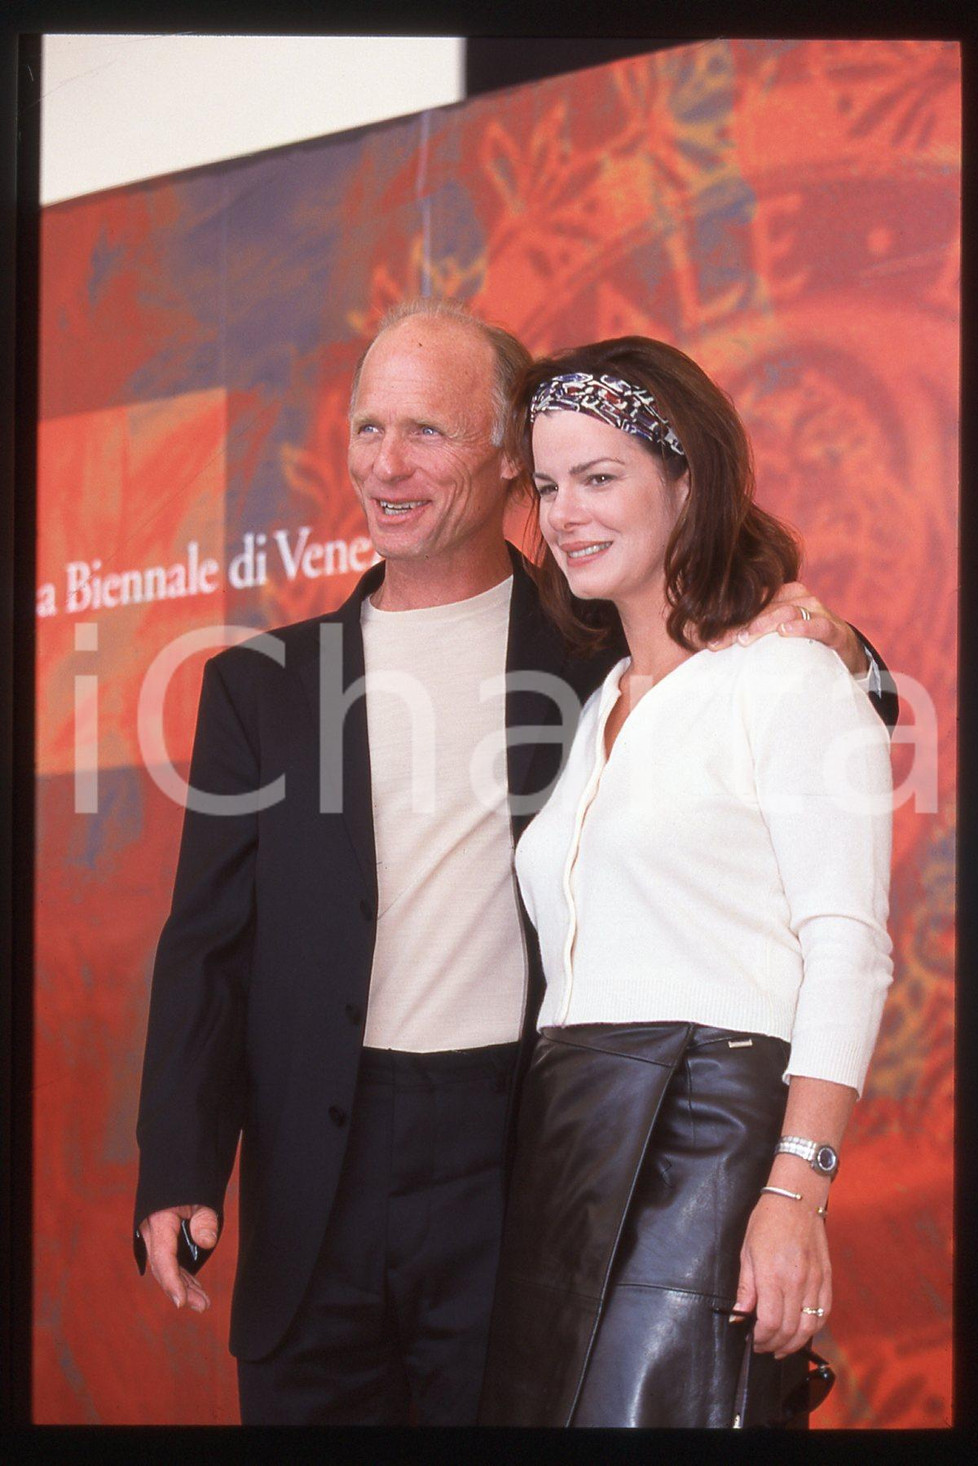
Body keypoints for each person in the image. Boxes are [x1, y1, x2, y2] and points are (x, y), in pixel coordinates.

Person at [132, 299, 896, 1426]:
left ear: (500, 464)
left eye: (427, 432)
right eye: (365, 428)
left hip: (519, 1155)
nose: (386, 464)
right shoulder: (264, 685)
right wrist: (179, 1164)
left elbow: (804, 706)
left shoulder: (593, 643)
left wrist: (840, 641)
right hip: (323, 1170)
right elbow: (207, 948)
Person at [477, 339, 894, 1428]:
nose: (564, 511)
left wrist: (795, 1188)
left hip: (706, 1132)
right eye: (550, 483)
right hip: (563, 1139)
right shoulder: (598, 695)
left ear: (690, 482)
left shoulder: (789, 674)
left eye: (600, 476)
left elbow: (847, 946)